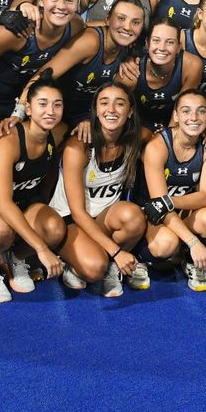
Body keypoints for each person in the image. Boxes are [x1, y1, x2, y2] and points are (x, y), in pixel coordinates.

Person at [0, 78, 68, 302]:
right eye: (42, 104)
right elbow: (3, 202)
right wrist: (41, 249)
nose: (50, 111)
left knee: (55, 227)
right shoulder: (9, 139)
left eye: (57, 105)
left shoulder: (60, 132)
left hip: (25, 205)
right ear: (29, 109)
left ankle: (14, 258)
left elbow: (51, 170)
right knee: (1, 229)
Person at [134, 90, 206, 292]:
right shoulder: (157, 146)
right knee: (165, 244)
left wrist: (170, 201)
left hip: (179, 210)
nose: (193, 118)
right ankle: (139, 257)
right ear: (176, 116)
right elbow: (158, 208)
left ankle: (187, 259)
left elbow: (205, 197)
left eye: (201, 112)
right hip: (152, 216)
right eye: (186, 111)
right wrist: (194, 243)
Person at [48, 83, 149, 297]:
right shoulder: (79, 147)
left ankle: (111, 267)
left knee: (134, 216)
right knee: (94, 269)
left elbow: (163, 136)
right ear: (95, 110)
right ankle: (71, 260)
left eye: (119, 103)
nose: (111, 109)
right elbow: (78, 213)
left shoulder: (133, 139)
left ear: (130, 111)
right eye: (104, 103)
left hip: (102, 220)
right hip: (73, 221)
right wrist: (117, 252)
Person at [24, 0, 146, 129]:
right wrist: (18, 112)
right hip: (56, 111)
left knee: (130, 78)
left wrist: (90, 119)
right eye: (121, 18)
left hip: (88, 116)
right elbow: (43, 75)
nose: (128, 27)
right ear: (107, 19)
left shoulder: (129, 50)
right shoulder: (90, 42)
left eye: (135, 22)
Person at [124, 18, 201, 132]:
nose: (162, 48)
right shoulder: (131, 72)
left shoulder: (191, 66)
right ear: (147, 43)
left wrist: (167, 139)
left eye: (170, 42)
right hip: (138, 126)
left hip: (174, 123)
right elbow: (118, 115)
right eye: (156, 40)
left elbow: (183, 109)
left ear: (178, 47)